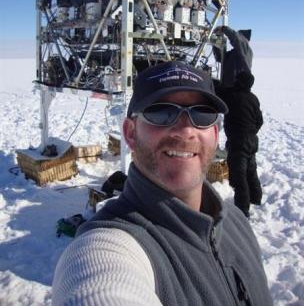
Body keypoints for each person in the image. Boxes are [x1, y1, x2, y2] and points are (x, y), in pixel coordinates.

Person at [52, 61, 272, 306]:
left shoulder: (237, 224)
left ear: (216, 134)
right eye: (161, 112)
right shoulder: (113, 244)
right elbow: (98, 285)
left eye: (203, 114)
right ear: (130, 133)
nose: (186, 130)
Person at [221, 70, 264, 218]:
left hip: (239, 141)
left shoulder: (232, 96)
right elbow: (260, 120)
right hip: (252, 140)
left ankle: (242, 210)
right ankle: (256, 197)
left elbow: (219, 91)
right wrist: (251, 132)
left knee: (239, 176)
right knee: (251, 170)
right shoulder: (253, 98)